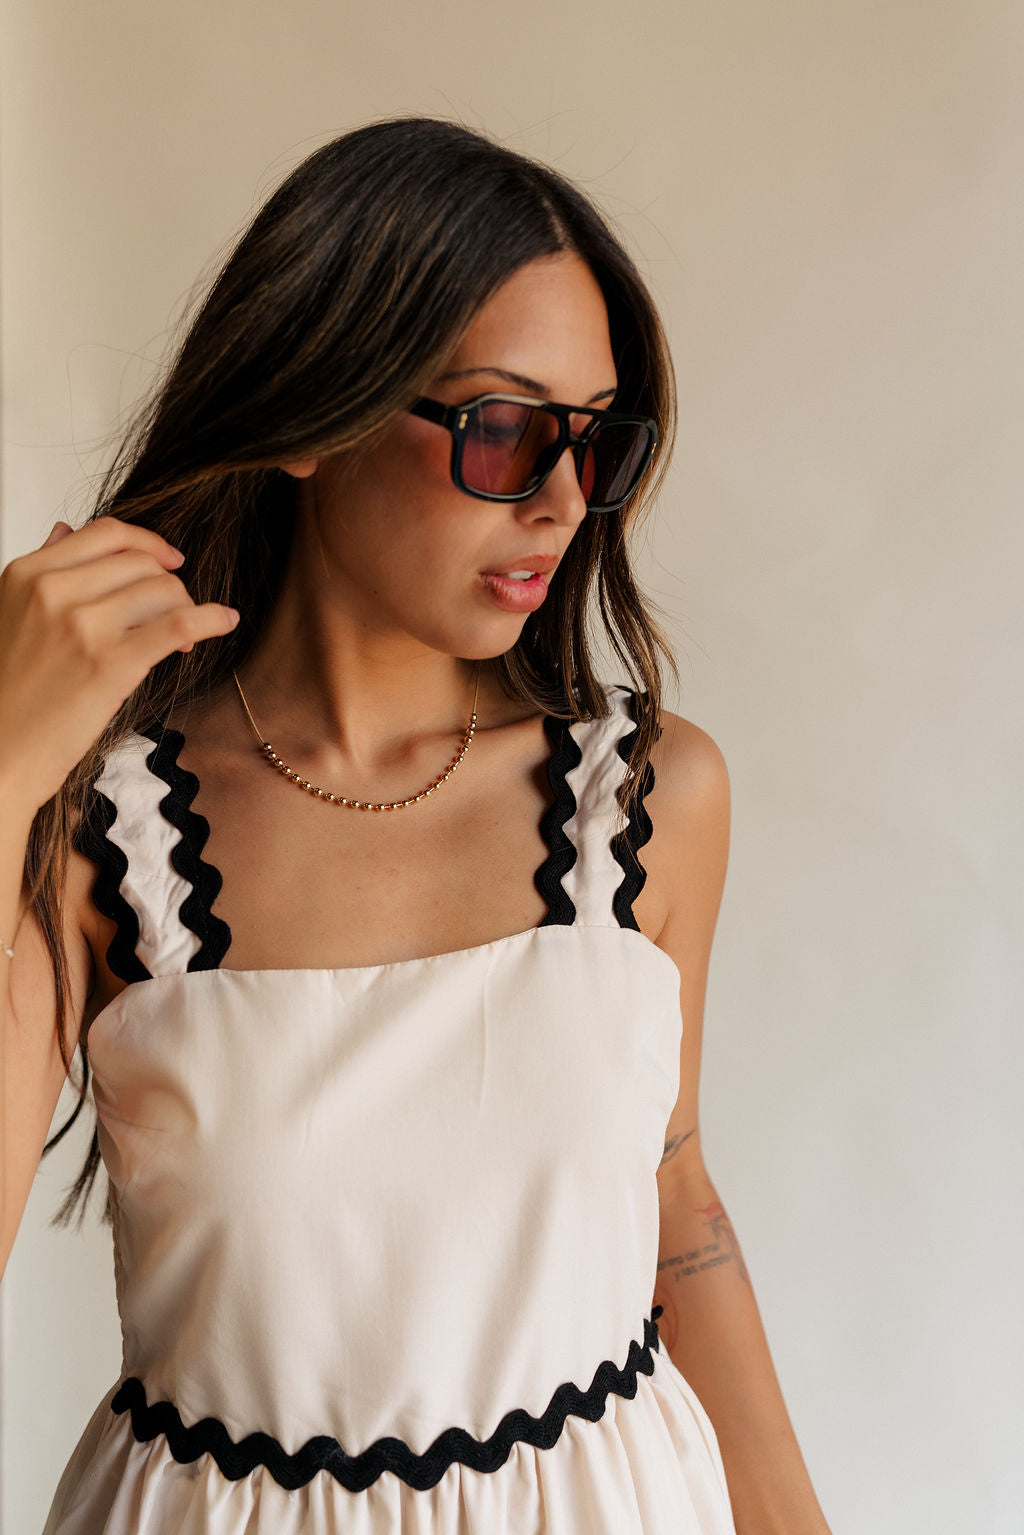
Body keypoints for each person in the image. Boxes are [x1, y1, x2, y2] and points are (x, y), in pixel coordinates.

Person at [0, 115, 831, 1534]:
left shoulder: (649, 800)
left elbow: (677, 1212)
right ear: (317, 416)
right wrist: (4, 759)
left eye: (600, 441)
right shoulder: (94, 831)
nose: (568, 503)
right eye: (505, 430)